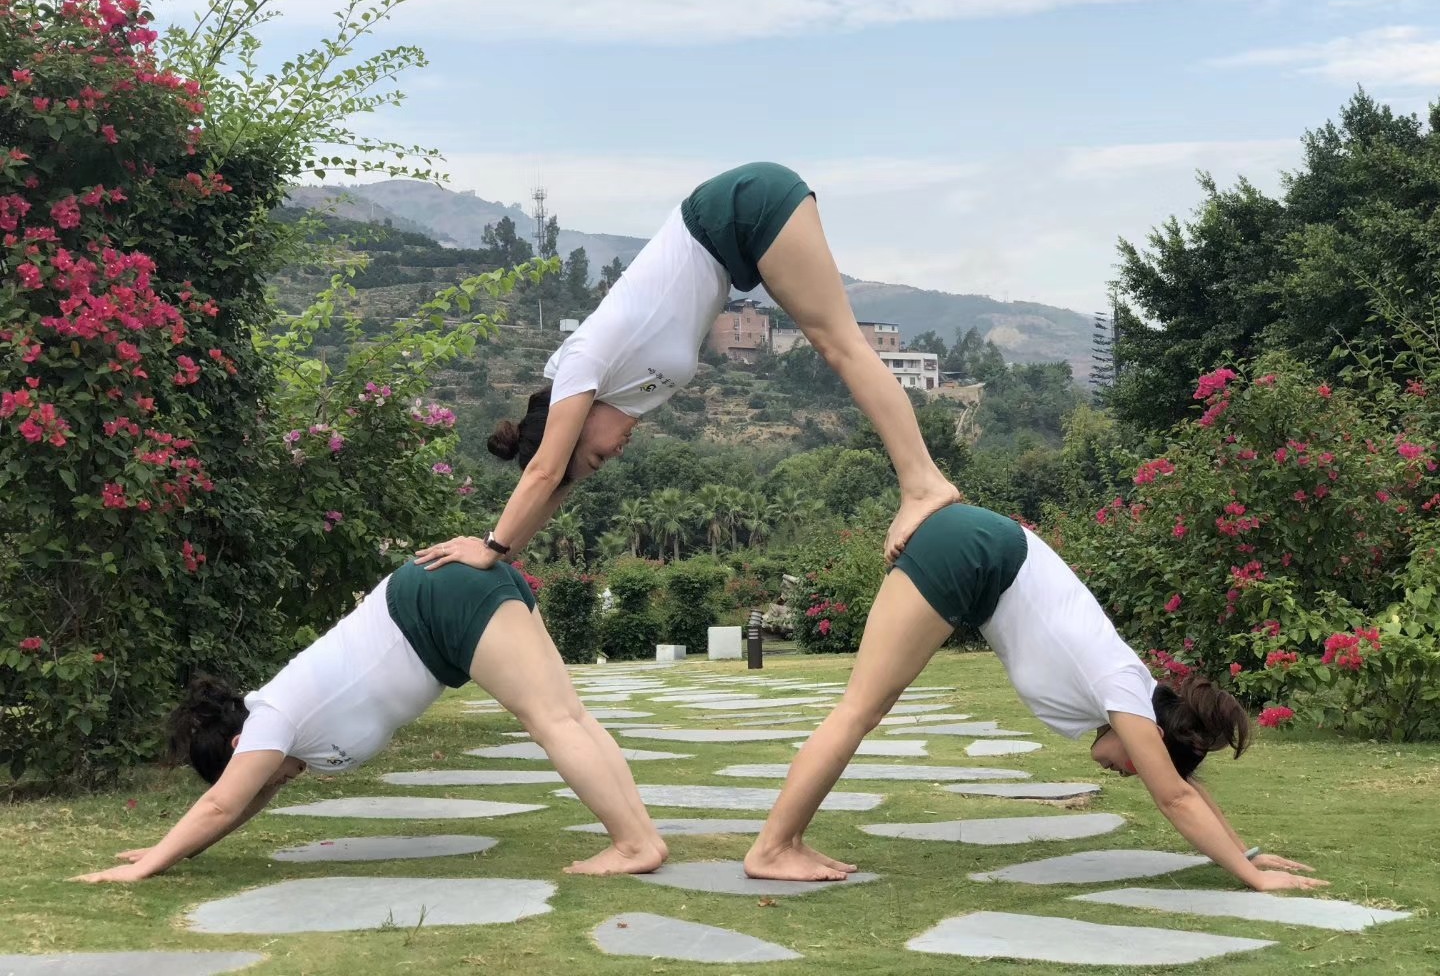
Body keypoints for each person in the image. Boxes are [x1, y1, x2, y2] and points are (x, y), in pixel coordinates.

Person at [741, 502, 1328, 892]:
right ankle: (771, 848)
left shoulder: (1132, 691)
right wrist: (1256, 880)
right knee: (859, 710)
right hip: (979, 556)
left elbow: (1183, 785)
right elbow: (1174, 795)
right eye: (1138, 766)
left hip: (982, 557)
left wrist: (1245, 854)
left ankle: (786, 841)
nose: (1130, 773)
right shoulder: (1124, 690)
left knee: (863, 711)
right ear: (1150, 737)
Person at [419, 163, 958, 579]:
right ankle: (922, 483)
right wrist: (506, 554)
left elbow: (544, 471)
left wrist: (488, 547)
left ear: (576, 423)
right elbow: (555, 486)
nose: (616, 454)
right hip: (733, 241)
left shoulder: (583, 362)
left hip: (732, 210)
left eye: (598, 455)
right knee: (836, 343)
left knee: (839, 343)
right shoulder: (622, 395)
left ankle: (922, 483)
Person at [71, 559, 668, 884]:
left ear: (238, 744)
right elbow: (240, 806)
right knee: (569, 716)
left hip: (434, 604)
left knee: (553, 720)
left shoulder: (270, 719)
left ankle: (633, 843)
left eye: (254, 773)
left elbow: (223, 804)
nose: (271, 783)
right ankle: (643, 838)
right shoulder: (280, 733)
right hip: (440, 601)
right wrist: (168, 852)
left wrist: (145, 869)